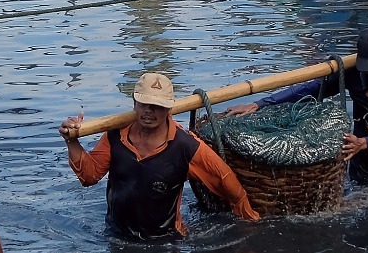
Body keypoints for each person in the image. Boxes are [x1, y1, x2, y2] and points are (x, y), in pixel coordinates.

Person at [60, 71, 261, 240]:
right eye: (144, 104)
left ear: (169, 108)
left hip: (165, 242)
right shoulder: (114, 136)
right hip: (116, 235)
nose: (149, 111)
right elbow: (89, 176)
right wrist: (72, 141)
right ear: (134, 103)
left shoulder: (185, 146)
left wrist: (248, 221)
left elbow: (224, 179)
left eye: (157, 106)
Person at [231, 27, 368, 183]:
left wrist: (364, 143)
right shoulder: (352, 73)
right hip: (359, 158)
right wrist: (260, 104)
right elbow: (310, 89)